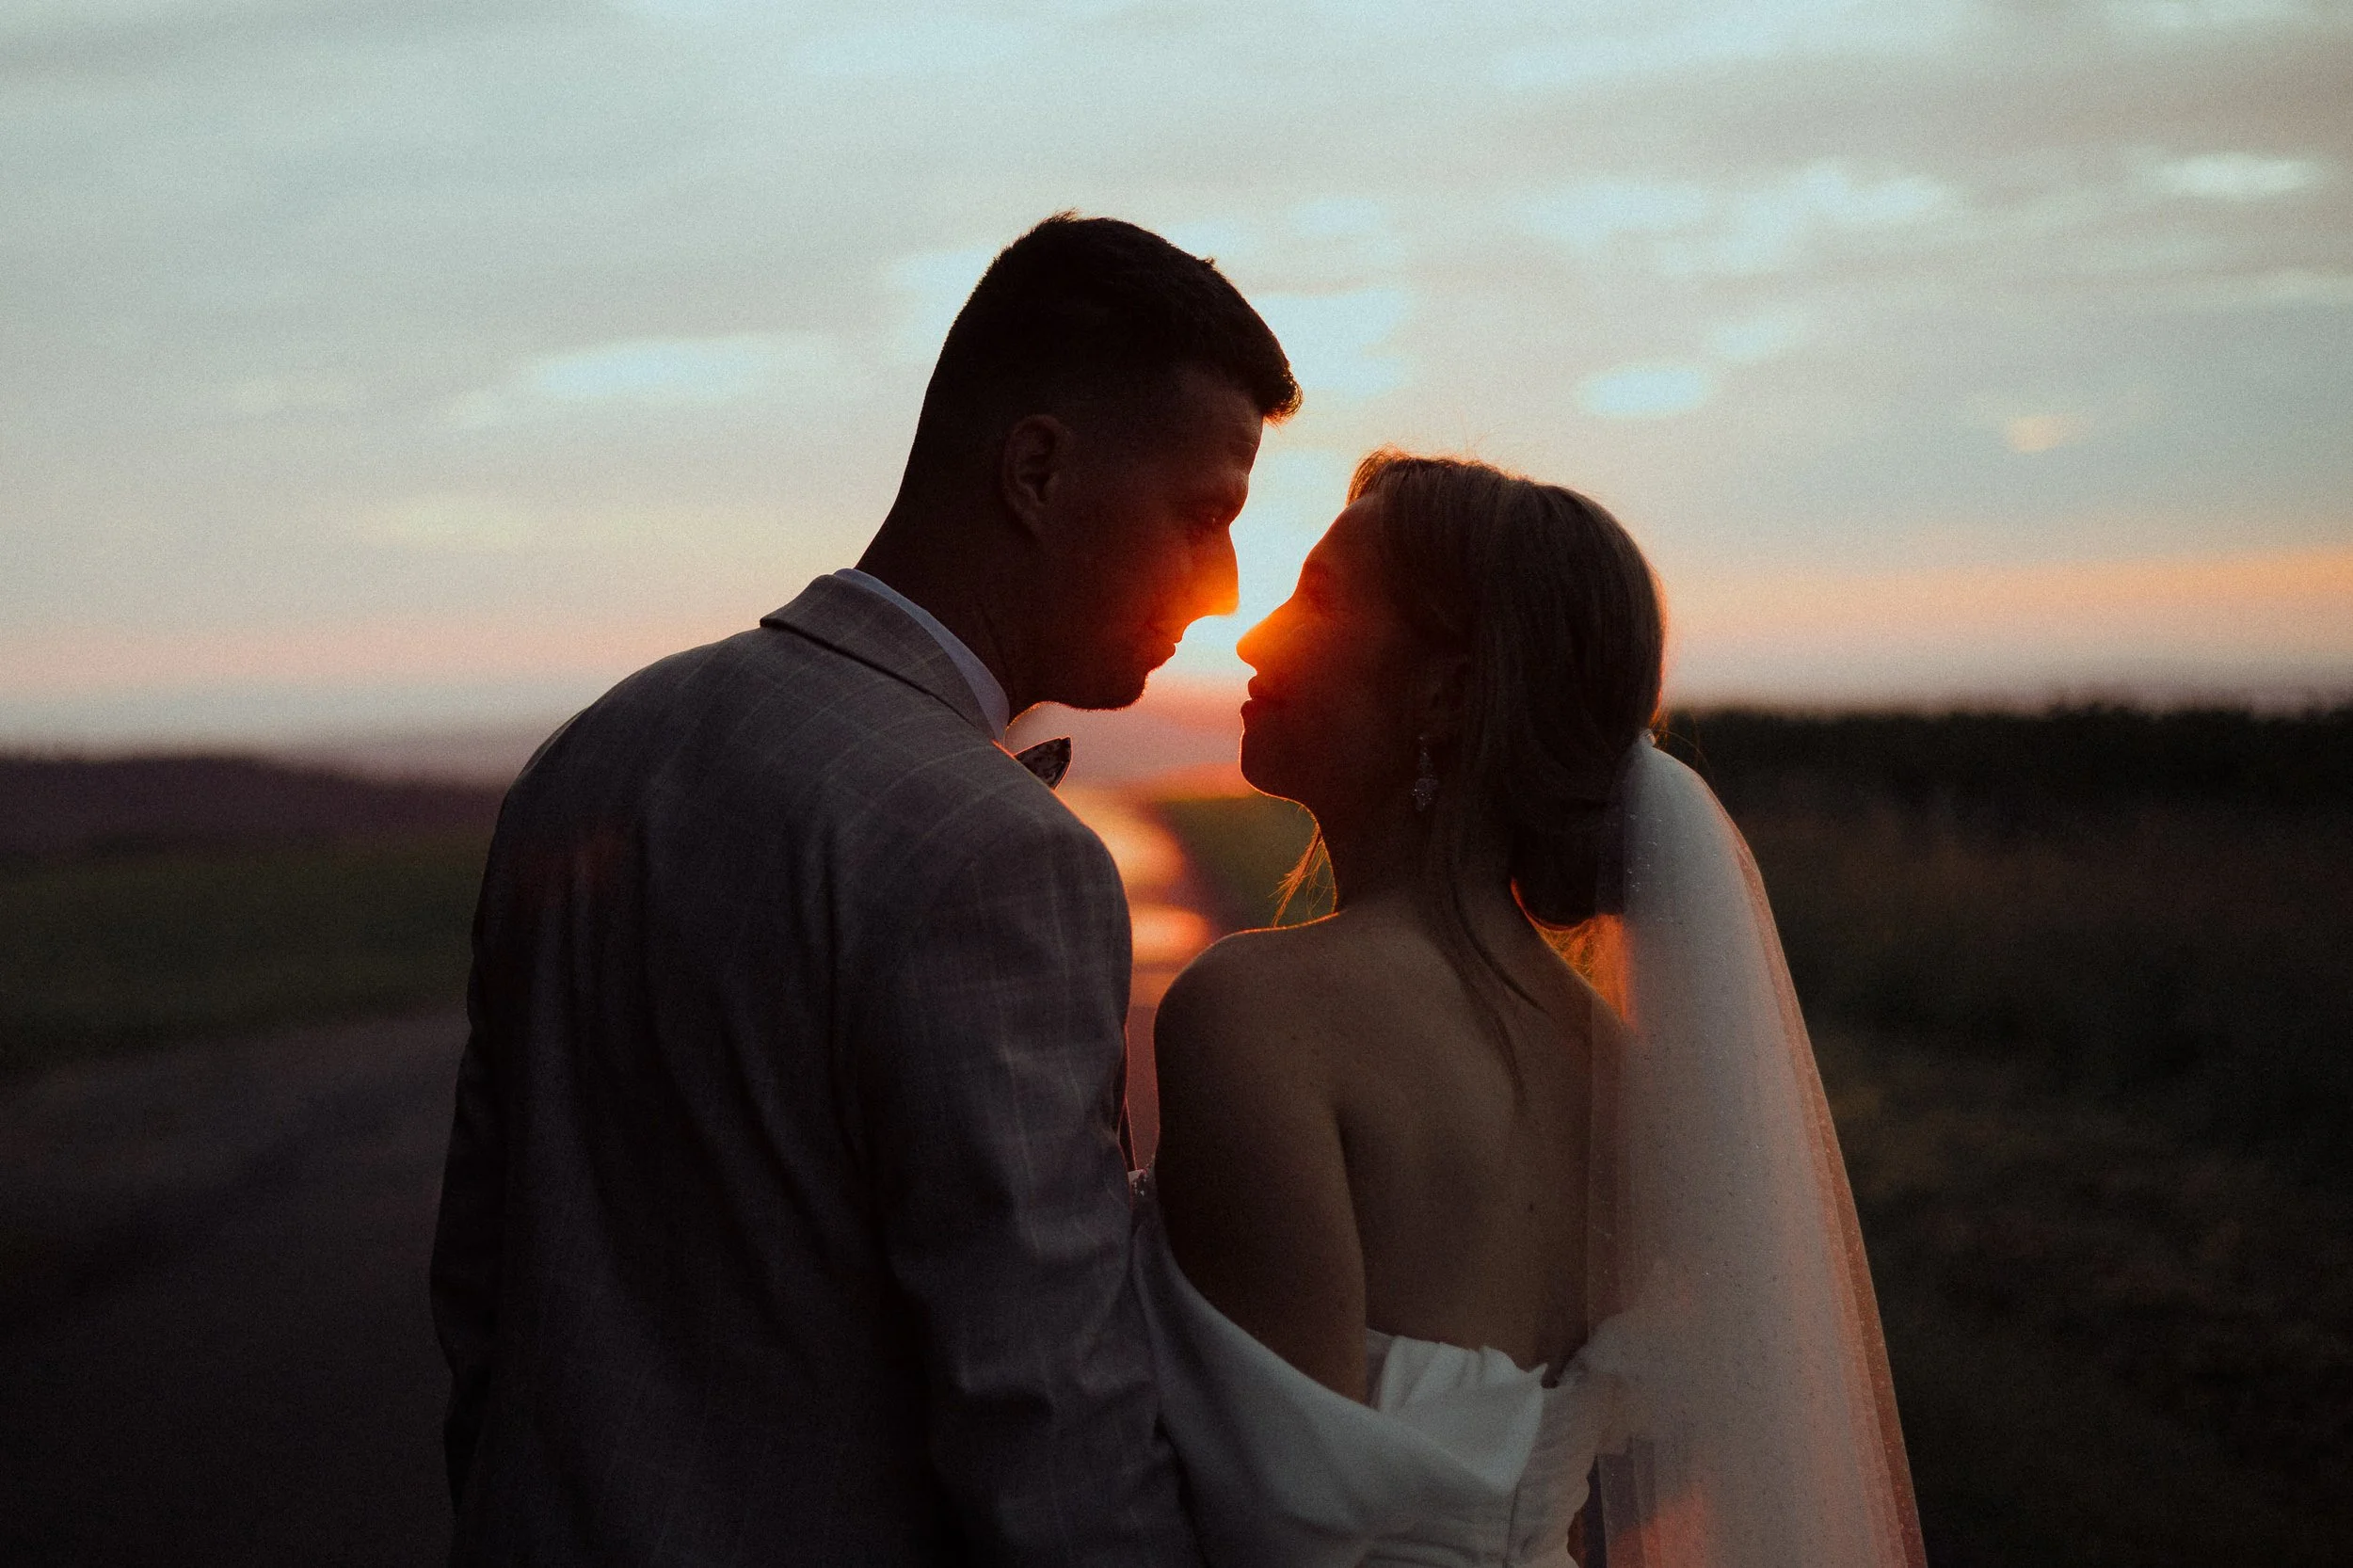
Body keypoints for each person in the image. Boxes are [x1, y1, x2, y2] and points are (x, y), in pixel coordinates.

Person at [428, 214, 1297, 1565]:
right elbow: (1044, 1416)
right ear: (1037, 469)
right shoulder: (995, 851)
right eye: (1204, 514)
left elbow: (483, 1281)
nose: (1225, 581)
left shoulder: (587, 753)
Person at [1140, 453, 1925, 1568]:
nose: (1255, 637)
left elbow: (1266, 1531)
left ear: (1447, 693)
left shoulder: (1256, 1013)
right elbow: (1669, 1471)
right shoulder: (1631, 1080)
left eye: (1313, 595)